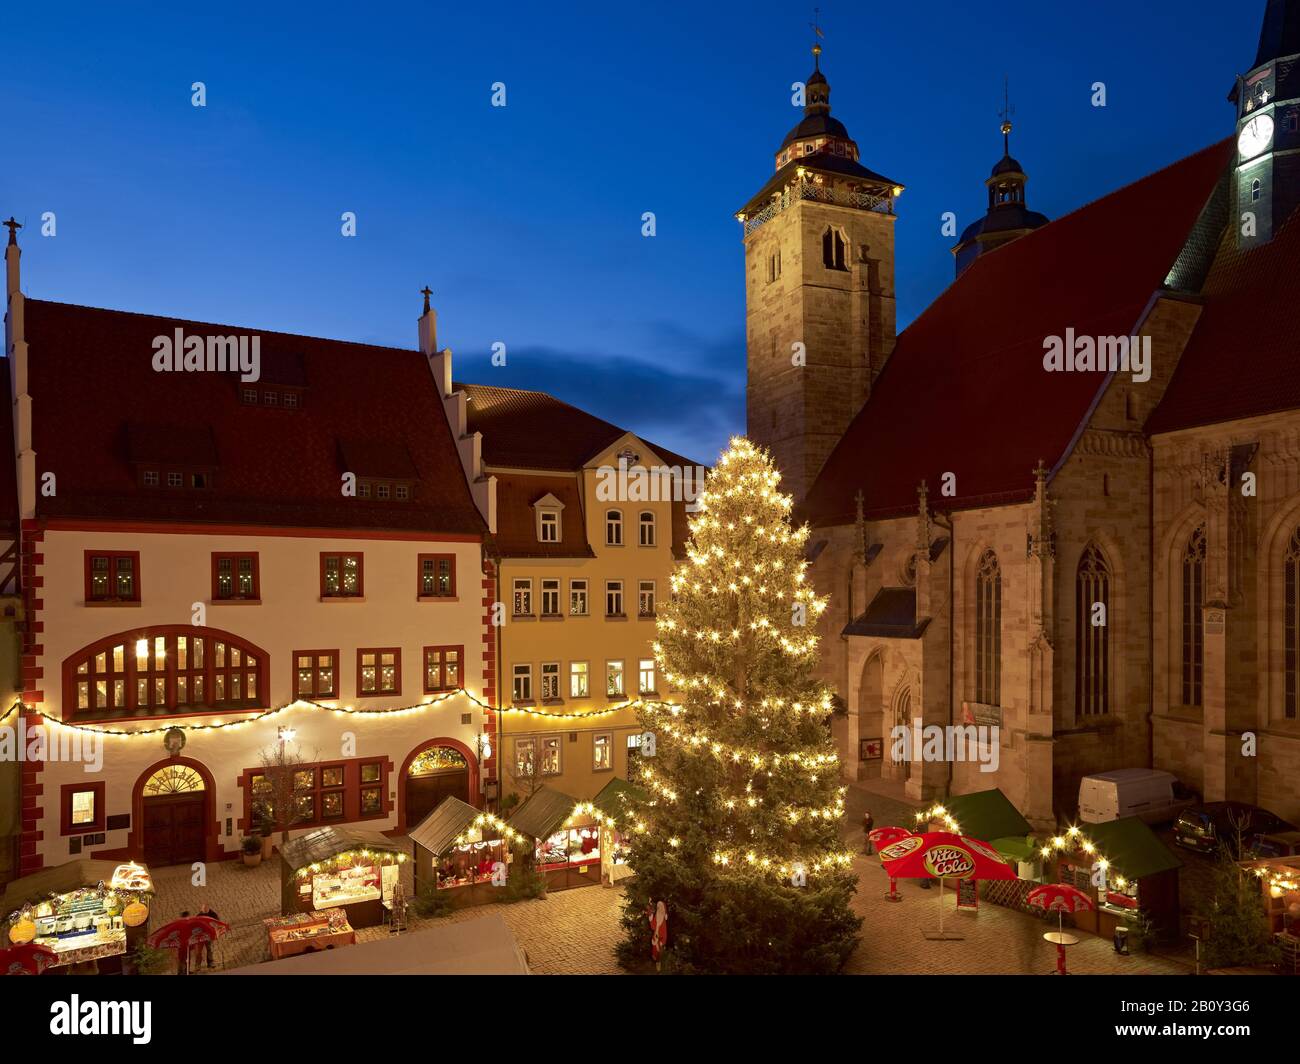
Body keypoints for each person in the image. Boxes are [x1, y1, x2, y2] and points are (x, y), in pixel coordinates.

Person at [197, 905, 220, 969]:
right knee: (199, 951)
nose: (204, 911)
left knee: (210, 949)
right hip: (201, 935)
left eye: (205, 910)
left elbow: (217, 923)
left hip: (209, 934)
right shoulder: (199, 915)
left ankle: (210, 963)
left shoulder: (213, 914)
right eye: (203, 910)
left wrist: (216, 932)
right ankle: (198, 965)